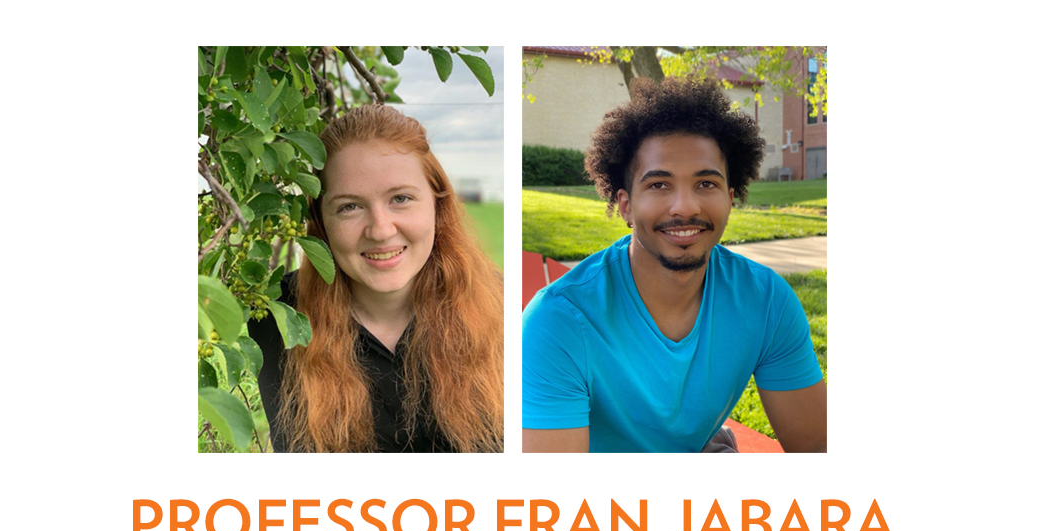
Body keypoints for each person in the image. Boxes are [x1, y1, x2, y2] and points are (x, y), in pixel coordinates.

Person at [522, 77, 826, 453]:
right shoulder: (559, 321)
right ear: (626, 205)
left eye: (706, 184)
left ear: (730, 198)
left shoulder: (766, 301)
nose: (685, 206)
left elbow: (818, 448)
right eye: (659, 185)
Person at [251, 105, 503, 453]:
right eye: (349, 207)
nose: (381, 230)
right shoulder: (271, 317)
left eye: (401, 198)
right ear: (321, 223)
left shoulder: (505, 309)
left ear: (437, 203)